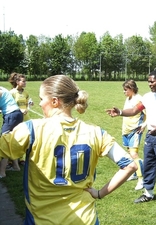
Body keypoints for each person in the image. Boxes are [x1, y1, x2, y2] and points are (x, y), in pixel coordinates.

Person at [0, 75, 137, 224]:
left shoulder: (31, 129)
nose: (39, 104)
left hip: (42, 220)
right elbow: (130, 165)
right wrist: (99, 194)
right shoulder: (96, 132)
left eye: (41, 99)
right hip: (86, 220)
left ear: (54, 101)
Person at [106, 69, 156, 211]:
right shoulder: (148, 97)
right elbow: (135, 110)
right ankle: (148, 193)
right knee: (149, 165)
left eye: (152, 81)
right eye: (148, 81)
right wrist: (120, 112)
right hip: (150, 135)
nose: (149, 84)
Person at [121, 80, 146, 191]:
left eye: (125, 89)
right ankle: (135, 173)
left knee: (134, 154)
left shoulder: (139, 99)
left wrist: (144, 125)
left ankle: (142, 179)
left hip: (134, 131)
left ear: (131, 89)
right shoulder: (128, 98)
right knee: (130, 154)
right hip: (125, 131)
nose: (124, 92)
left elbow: (148, 114)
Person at [8, 72, 34, 166]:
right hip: (16, 119)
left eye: (25, 81)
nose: (25, 83)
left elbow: (27, 103)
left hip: (26, 119)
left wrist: (30, 104)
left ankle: (21, 159)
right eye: (23, 81)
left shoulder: (25, 92)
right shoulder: (12, 93)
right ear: (17, 82)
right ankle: (13, 160)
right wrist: (20, 110)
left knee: (26, 139)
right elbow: (10, 105)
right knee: (15, 139)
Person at [0, 86, 23, 178]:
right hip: (16, 114)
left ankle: (2, 172)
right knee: (10, 142)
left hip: (11, 115)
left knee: (4, 142)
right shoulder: (3, 88)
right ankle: (16, 166)